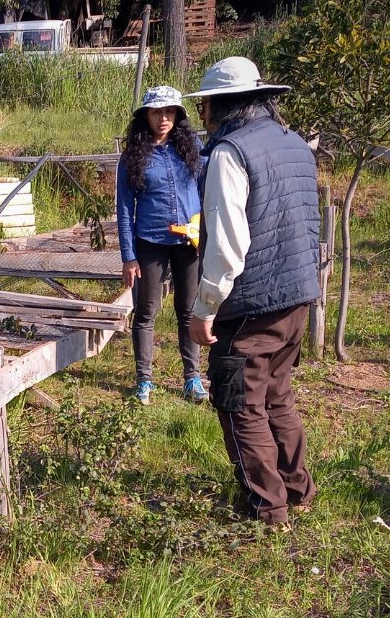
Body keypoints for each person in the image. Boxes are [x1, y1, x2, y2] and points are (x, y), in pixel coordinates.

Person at [185, 56, 320, 528]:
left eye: (204, 106)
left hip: (251, 304)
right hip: (297, 294)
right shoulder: (294, 143)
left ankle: (268, 509)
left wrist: (204, 308)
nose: (202, 115)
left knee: (241, 403)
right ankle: (297, 489)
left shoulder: (230, 153)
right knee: (277, 394)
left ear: (219, 105)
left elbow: (227, 245)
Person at [116, 85, 207, 406]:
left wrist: (207, 235)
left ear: (178, 116)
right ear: (146, 116)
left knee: (188, 310)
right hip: (150, 242)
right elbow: (124, 209)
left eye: (169, 112)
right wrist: (129, 257)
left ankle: (192, 378)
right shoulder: (133, 156)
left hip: (188, 242)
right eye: (157, 112)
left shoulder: (192, 148)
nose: (163, 118)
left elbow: (206, 191)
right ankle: (144, 380)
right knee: (146, 311)